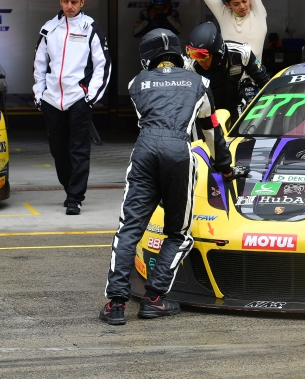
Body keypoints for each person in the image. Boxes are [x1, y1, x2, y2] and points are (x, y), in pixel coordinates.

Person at [101, 29, 249, 326]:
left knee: (129, 228)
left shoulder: (136, 83)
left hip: (144, 152)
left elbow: (151, 113)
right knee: (178, 233)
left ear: (146, 56)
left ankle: (116, 303)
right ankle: (154, 299)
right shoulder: (200, 82)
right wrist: (225, 167)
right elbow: (211, 130)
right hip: (179, 154)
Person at [33, 0, 111, 216]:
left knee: (78, 149)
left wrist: (91, 97)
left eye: (74, 2)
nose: (69, 6)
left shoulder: (91, 28)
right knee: (58, 149)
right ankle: (69, 189)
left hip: (79, 99)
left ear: (82, 2)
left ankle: (75, 197)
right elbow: (39, 64)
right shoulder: (48, 28)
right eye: (65, 1)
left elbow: (103, 65)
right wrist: (39, 95)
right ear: (60, 0)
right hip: (52, 100)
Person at [184, 21, 270, 123]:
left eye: (203, 58)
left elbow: (265, 81)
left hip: (235, 107)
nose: (199, 61)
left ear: (217, 53)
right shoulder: (191, 65)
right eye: (194, 56)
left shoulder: (241, 53)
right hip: (208, 112)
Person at [199, 0, 267, 60]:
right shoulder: (224, 15)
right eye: (236, 4)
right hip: (226, 73)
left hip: (255, 73)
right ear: (228, 4)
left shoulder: (259, 14)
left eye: (244, 1)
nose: (242, 6)